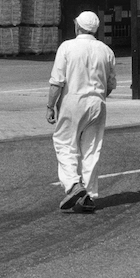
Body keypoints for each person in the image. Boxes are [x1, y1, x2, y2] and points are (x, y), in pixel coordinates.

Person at [46, 11, 116, 213]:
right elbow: (110, 84)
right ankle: (90, 194)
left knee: (65, 143)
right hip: (98, 102)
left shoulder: (67, 47)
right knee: (92, 149)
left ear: (77, 26)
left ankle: (73, 185)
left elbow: (57, 81)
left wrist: (51, 105)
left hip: (72, 101)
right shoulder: (106, 50)